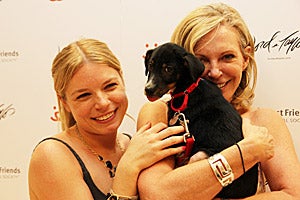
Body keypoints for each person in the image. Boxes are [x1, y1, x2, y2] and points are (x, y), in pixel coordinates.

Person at [137, 3, 300, 200]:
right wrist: (247, 151)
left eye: (227, 57)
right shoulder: (159, 113)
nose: (214, 72)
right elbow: (156, 194)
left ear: (245, 58)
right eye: (202, 60)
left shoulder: (264, 120)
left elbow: (291, 195)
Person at [28, 38, 186, 200]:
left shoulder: (135, 145)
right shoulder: (51, 155)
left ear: (122, 80)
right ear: (65, 103)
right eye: (84, 95)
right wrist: (127, 168)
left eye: (110, 86)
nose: (102, 103)